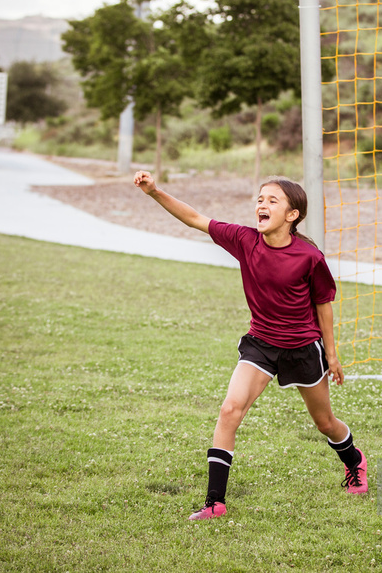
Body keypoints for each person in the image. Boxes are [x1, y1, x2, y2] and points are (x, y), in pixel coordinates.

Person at [133, 171, 368, 520]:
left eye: (273, 200)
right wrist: (154, 192)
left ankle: (355, 462)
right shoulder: (245, 240)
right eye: (260, 198)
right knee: (230, 410)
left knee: (324, 422)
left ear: (292, 215)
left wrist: (331, 356)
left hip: (303, 347)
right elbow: (195, 218)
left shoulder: (309, 257)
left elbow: (323, 305)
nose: (262, 204)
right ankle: (215, 502)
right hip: (260, 342)